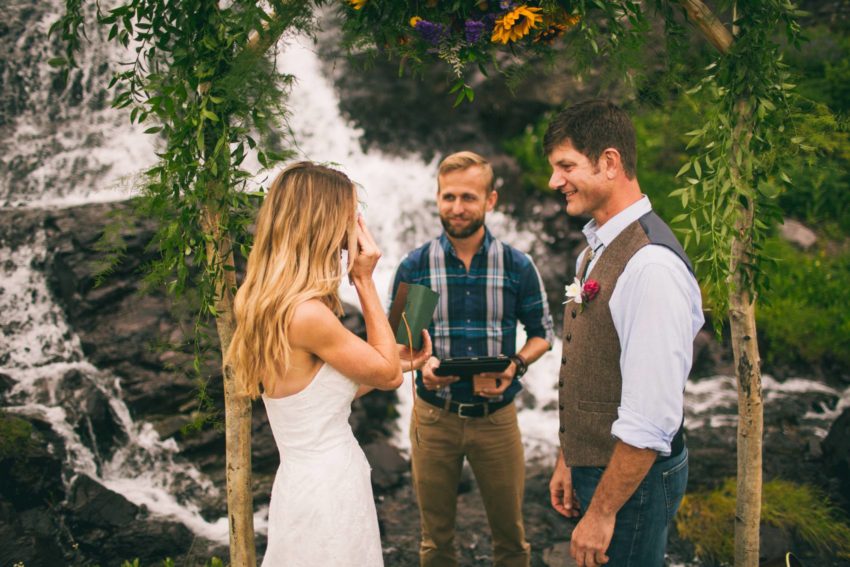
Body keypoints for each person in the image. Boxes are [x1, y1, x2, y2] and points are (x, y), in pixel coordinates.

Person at [224, 162, 432, 567]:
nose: (355, 228)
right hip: (328, 492)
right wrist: (365, 280)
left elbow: (320, 397)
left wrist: (396, 363)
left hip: (303, 485)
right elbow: (387, 376)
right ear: (323, 222)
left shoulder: (259, 300)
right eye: (350, 216)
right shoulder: (308, 315)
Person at [544, 100, 704, 567]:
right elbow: (588, 365)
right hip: (597, 465)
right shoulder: (597, 247)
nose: (555, 181)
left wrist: (601, 513)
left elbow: (651, 417)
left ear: (610, 162)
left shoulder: (650, 266)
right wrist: (568, 456)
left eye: (566, 166)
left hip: (632, 483)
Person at [391, 151, 555, 567]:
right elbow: (402, 347)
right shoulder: (418, 265)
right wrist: (423, 367)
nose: (457, 207)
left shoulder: (517, 265)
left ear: (491, 200)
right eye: (448, 197)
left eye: (468, 197)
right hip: (434, 419)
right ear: (437, 198)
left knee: (512, 542)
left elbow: (543, 335)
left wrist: (514, 365)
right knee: (435, 544)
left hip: (497, 419)